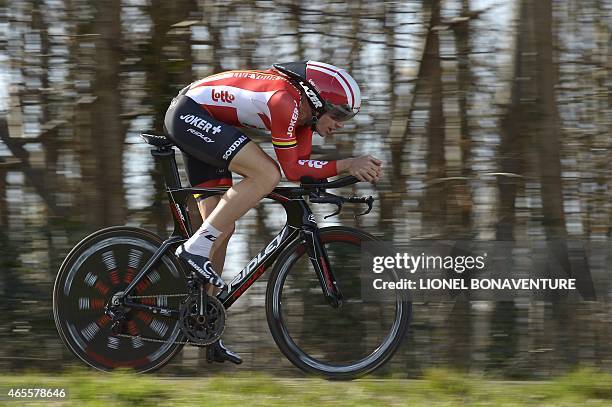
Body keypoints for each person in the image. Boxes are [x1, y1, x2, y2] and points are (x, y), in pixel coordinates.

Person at [164, 60, 382, 364]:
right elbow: (290, 169)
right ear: (317, 100)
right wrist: (348, 163)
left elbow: (304, 170)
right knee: (267, 175)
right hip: (189, 114)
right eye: (339, 113)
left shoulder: (304, 120)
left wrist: (341, 182)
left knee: (221, 228)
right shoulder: (284, 101)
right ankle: (194, 248)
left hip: (207, 121)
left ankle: (204, 323)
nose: (340, 123)